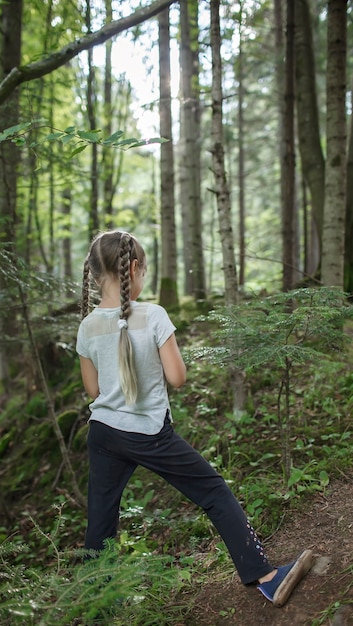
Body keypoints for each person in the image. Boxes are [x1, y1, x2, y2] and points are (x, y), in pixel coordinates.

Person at [75, 230, 313, 607]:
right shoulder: (153, 315)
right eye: (144, 270)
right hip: (150, 432)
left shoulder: (88, 325)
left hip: (104, 433)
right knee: (213, 491)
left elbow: (93, 392)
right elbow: (177, 378)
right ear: (133, 269)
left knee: (101, 518)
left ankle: (94, 604)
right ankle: (264, 575)